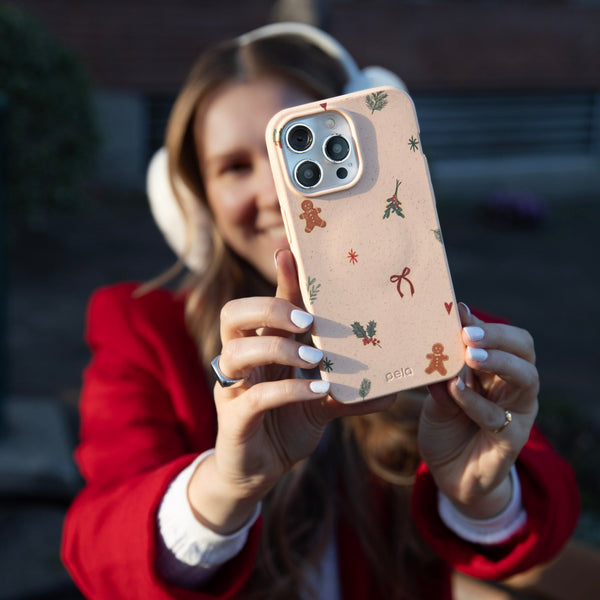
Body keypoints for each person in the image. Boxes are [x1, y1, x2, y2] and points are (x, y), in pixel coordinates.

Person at [61, 22, 579, 600]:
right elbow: (97, 555)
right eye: (235, 167)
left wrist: (481, 494)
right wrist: (225, 486)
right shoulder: (146, 330)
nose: (275, 194)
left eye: (306, 152)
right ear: (196, 203)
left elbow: (543, 522)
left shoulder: (447, 334)